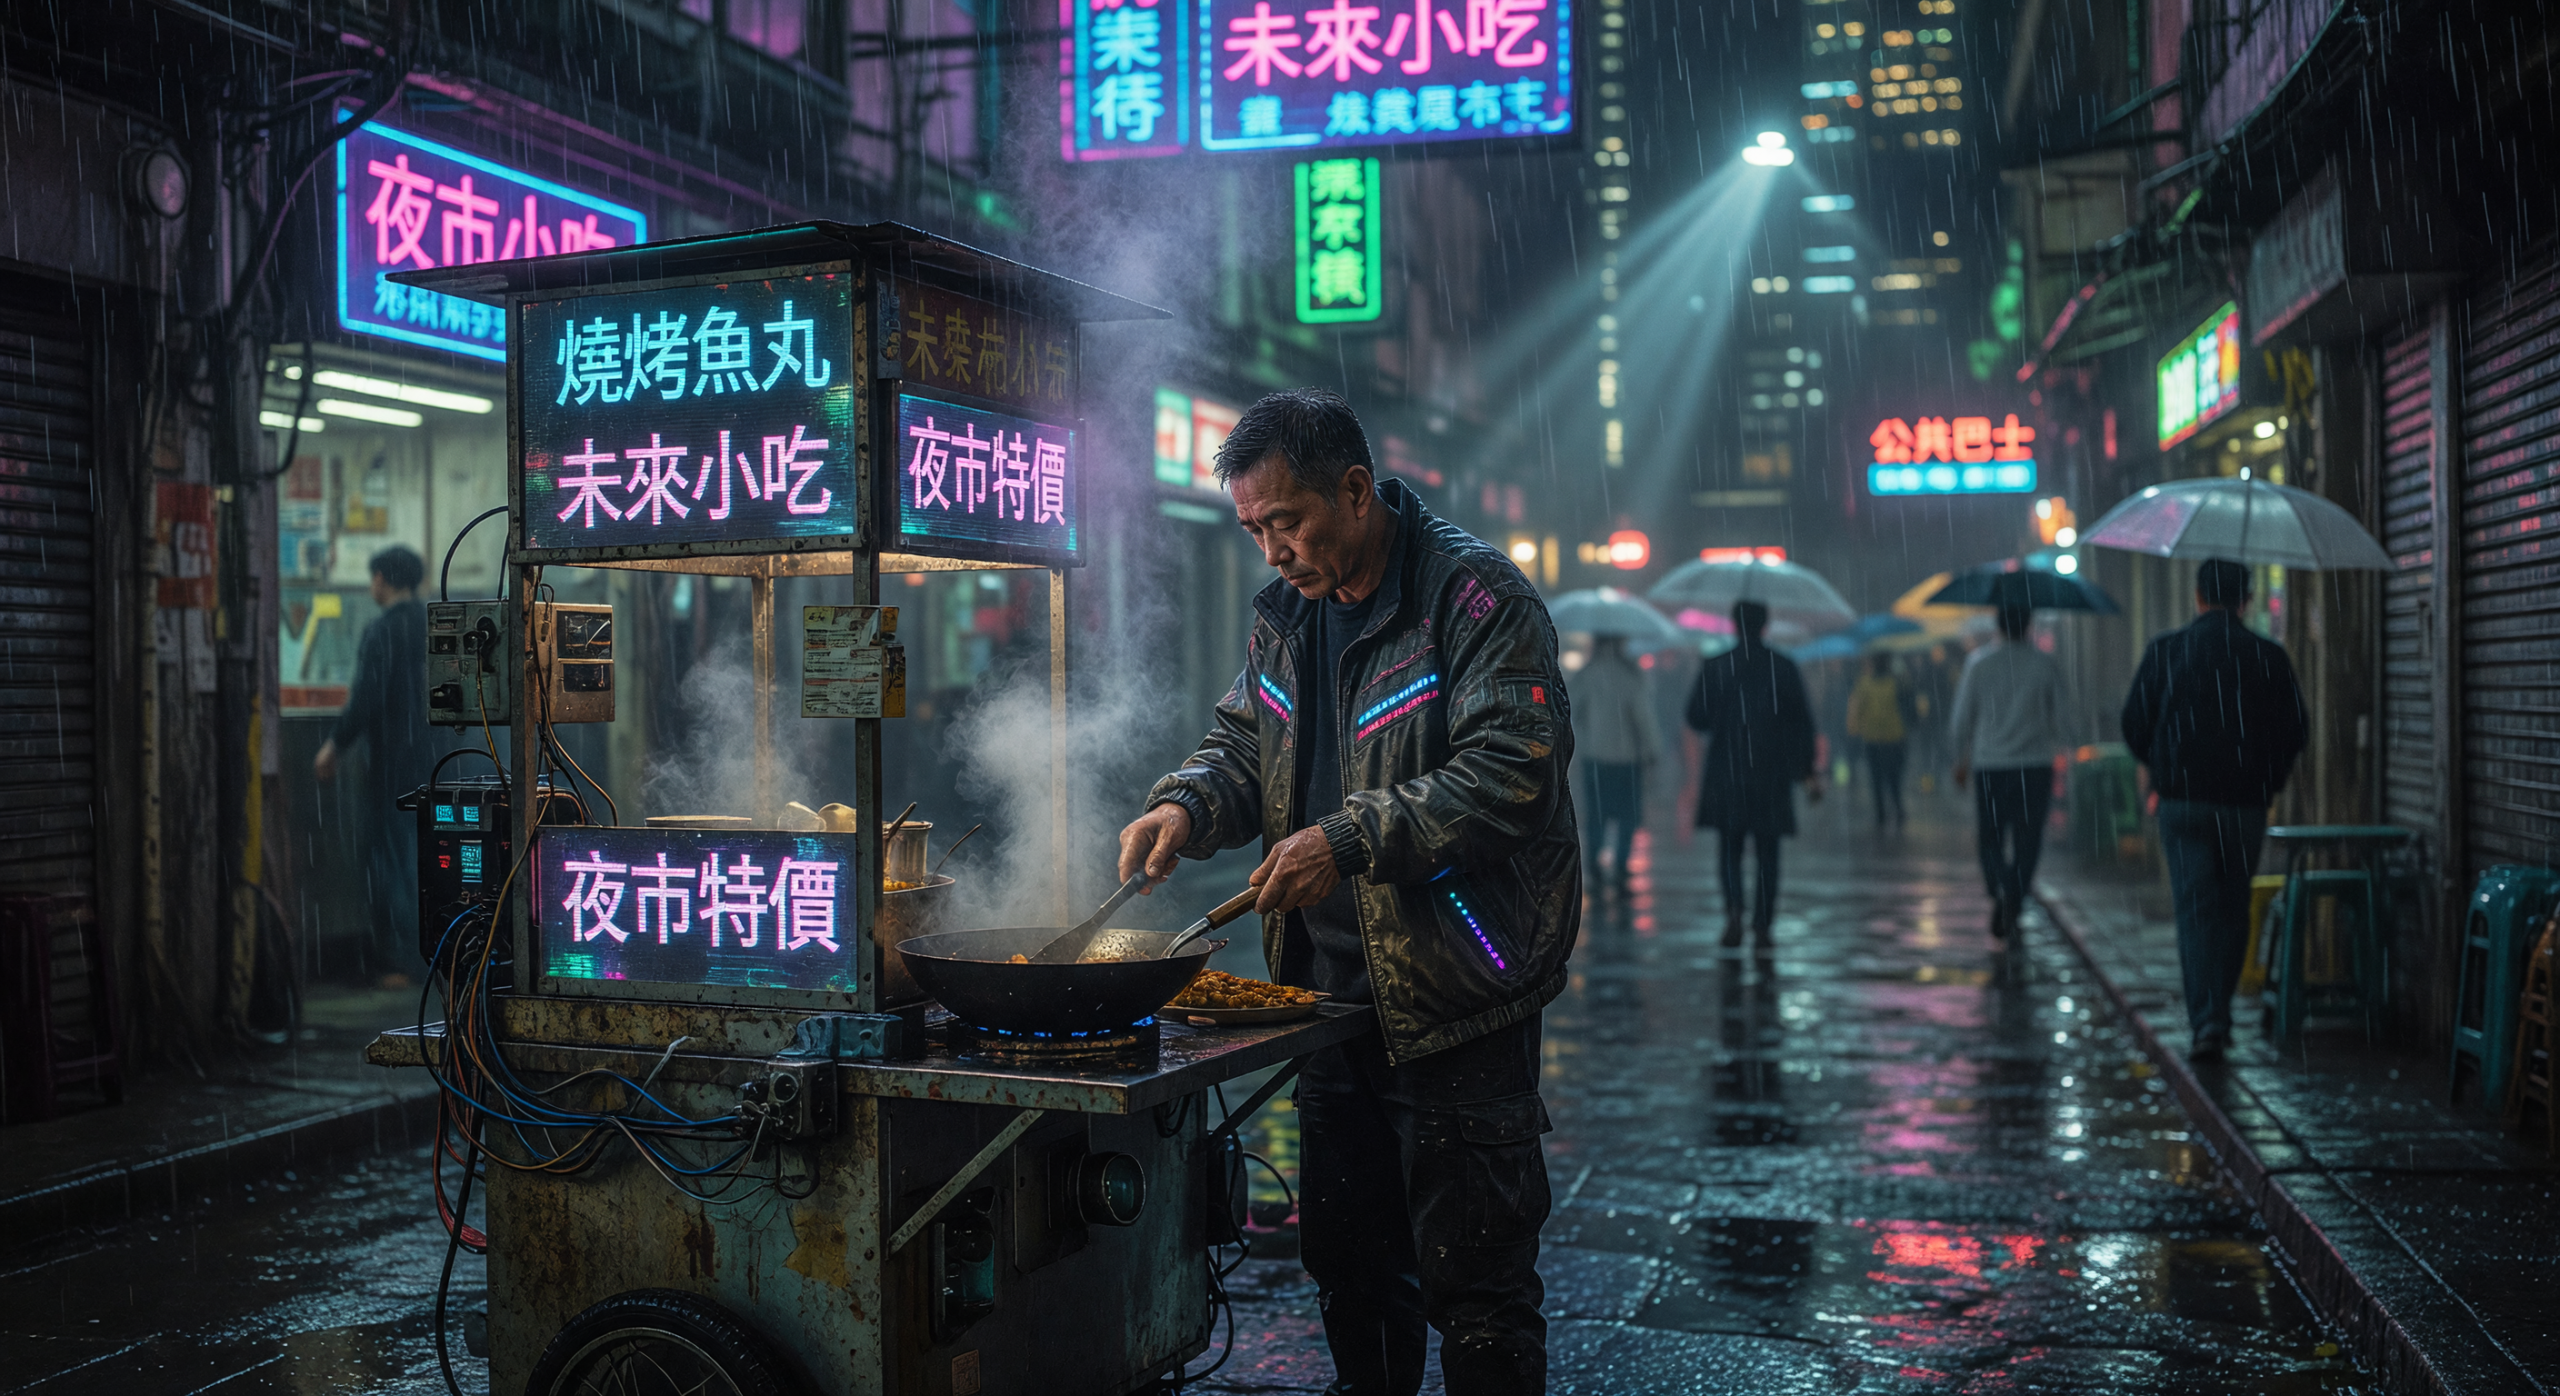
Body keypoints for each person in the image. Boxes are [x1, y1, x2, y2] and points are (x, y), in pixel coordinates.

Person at [1118, 388, 1576, 1396]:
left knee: (1478, 1287)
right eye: (1253, 529)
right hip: (1326, 1003)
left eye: (1285, 521)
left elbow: (1513, 772)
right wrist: (1186, 807)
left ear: (1357, 492)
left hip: (1457, 998)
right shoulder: (1284, 615)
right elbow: (1246, 742)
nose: (1271, 549)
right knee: (1352, 1269)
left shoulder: (1471, 597)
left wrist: (1351, 836)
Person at [2120, 558, 2307, 1063]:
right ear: (2245, 600)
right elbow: (2295, 731)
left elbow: (2134, 721)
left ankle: (2208, 1019)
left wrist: (2159, 767)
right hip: (2243, 806)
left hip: (2181, 804)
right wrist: (2267, 780)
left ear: (2199, 597)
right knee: (2232, 906)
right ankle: (2216, 1013)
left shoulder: (2167, 651)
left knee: (2195, 910)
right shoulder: (2267, 656)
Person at [314, 545, 438, 975]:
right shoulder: (434, 623)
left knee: (393, 864)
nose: (372, 586)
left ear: (383, 579)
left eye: (374, 578)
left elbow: (367, 695)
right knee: (432, 863)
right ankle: (437, 958)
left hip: (393, 768)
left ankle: (404, 961)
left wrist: (334, 744)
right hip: (438, 764)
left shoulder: (383, 631)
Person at [1685, 601, 1819, 949]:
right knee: (1767, 851)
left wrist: (1721, 719)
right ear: (1765, 625)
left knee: (1729, 848)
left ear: (1733, 624)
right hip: (1770, 772)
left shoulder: (1716, 666)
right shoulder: (1783, 667)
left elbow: (1695, 715)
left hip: (1727, 771)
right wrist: (1806, 770)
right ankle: (1762, 922)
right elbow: (1802, 723)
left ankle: (1733, 910)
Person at [1949, 595, 2073, 941]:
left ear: (1999, 625)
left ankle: (2000, 888)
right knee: (2028, 839)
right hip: (2033, 767)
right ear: (2028, 625)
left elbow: (1961, 719)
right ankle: (2014, 897)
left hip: (1990, 767)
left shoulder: (1979, 663)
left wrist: (1960, 756)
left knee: (1990, 837)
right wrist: (2066, 745)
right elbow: (2063, 719)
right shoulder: (2044, 664)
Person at [1570, 632, 1662, 890]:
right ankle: (1621, 863)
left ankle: (1595, 863)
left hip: (1595, 757)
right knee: (1627, 815)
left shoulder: (1586, 674)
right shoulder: (1631, 675)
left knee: (1597, 814)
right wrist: (1652, 751)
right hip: (1626, 758)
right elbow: (1643, 717)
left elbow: (1570, 708)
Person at [1845, 652, 1908, 827]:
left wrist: (1853, 730)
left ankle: (1881, 811)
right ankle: (1898, 807)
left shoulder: (1864, 683)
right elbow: (1907, 707)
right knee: (1894, 776)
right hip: (1895, 737)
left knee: (1876, 777)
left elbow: (1855, 709)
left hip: (1873, 739)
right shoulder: (1898, 682)